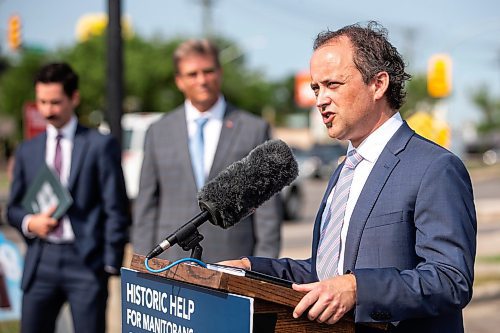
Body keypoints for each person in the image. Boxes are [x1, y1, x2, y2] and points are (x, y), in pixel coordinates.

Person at [221, 22, 476, 332]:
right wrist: (251, 269)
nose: (320, 100)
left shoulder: (434, 167)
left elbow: (450, 279)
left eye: (333, 84)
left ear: (378, 84)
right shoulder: (345, 169)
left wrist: (358, 290)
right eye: (316, 87)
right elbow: (327, 274)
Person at [131, 39, 282, 263]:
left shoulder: (253, 129)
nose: (202, 80)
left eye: (208, 71)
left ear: (220, 73)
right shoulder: (158, 131)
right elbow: (146, 206)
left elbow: (267, 210)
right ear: (179, 81)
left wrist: (263, 266)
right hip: (171, 264)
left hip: (234, 262)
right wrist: (144, 264)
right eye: (192, 74)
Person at [7, 62, 131, 333]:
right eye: (42, 102)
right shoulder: (28, 150)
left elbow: (116, 207)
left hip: (86, 263)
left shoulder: (100, 144)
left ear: (74, 98)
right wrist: (30, 222)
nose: (48, 110)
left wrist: (109, 264)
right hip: (41, 261)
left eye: (55, 102)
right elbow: (12, 209)